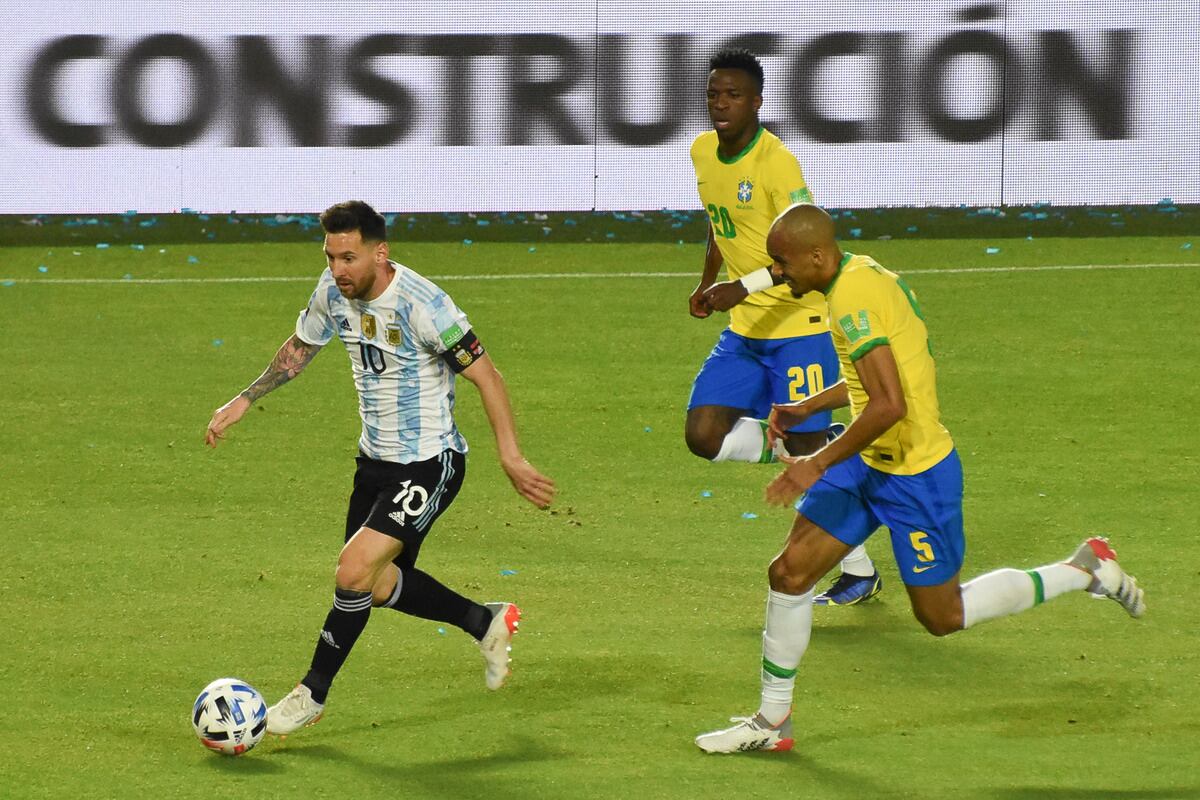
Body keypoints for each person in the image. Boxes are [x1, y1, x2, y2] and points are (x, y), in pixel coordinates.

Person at [694, 204, 1146, 754]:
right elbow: (883, 381)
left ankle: (1083, 568)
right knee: (789, 574)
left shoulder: (852, 300)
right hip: (869, 464)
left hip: (915, 475)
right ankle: (772, 723)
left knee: (942, 616)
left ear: (816, 255)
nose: (779, 275)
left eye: (783, 264)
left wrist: (817, 461)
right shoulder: (860, 275)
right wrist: (806, 404)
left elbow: (887, 405)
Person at [204, 200, 556, 736]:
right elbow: (300, 348)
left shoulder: (424, 305)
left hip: (429, 462)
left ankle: (310, 694)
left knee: (352, 571)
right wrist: (245, 399)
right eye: (330, 257)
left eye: (349, 257)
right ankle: (483, 622)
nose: (339, 270)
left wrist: (511, 455)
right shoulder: (331, 292)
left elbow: (489, 377)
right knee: (375, 583)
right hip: (374, 462)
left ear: (379, 251)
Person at [686, 48, 880, 605]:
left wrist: (737, 287)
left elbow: (810, 245)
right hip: (747, 331)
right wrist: (707, 282)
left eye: (734, 95)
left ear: (757, 102)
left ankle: (860, 572)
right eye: (714, 94)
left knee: (806, 463)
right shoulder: (702, 151)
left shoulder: (778, 164)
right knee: (703, 436)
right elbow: (717, 223)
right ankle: (819, 441)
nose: (721, 104)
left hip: (800, 323)